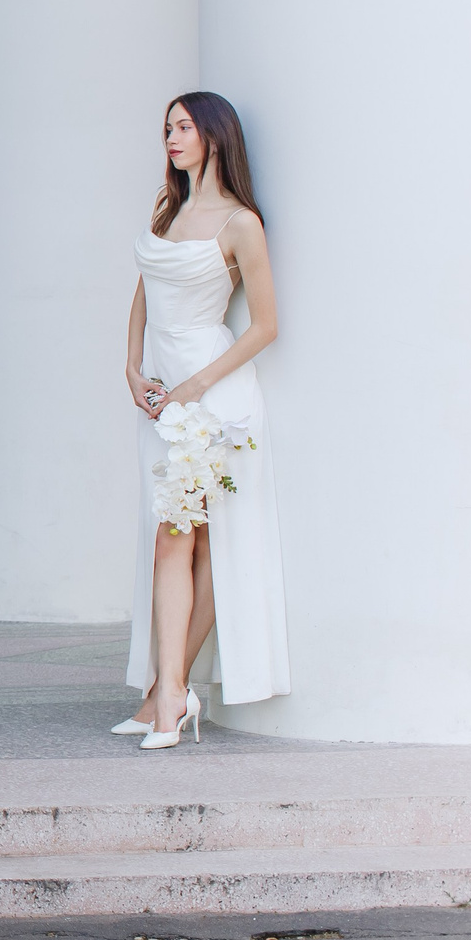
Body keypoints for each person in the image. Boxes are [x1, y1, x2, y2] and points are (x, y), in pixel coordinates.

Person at [118, 91, 292, 750]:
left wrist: (193, 385)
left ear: (215, 135)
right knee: (178, 539)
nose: (171, 136)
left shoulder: (241, 222)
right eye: (167, 126)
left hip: (211, 397)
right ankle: (164, 692)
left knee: (185, 538)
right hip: (161, 397)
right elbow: (145, 287)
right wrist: (131, 366)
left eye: (184, 125)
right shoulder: (169, 209)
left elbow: (266, 325)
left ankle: (167, 698)